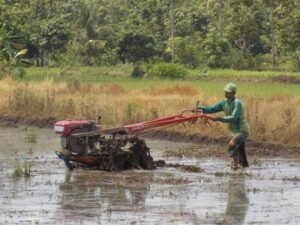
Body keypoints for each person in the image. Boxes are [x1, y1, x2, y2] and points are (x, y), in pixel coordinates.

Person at [195, 83, 250, 170]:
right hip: (233, 131)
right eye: (225, 91)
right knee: (242, 155)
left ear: (233, 93)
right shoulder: (224, 103)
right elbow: (212, 109)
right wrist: (199, 109)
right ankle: (243, 169)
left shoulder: (237, 103)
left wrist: (219, 118)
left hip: (242, 129)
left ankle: (235, 166)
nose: (226, 93)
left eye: (228, 92)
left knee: (232, 145)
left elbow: (234, 117)